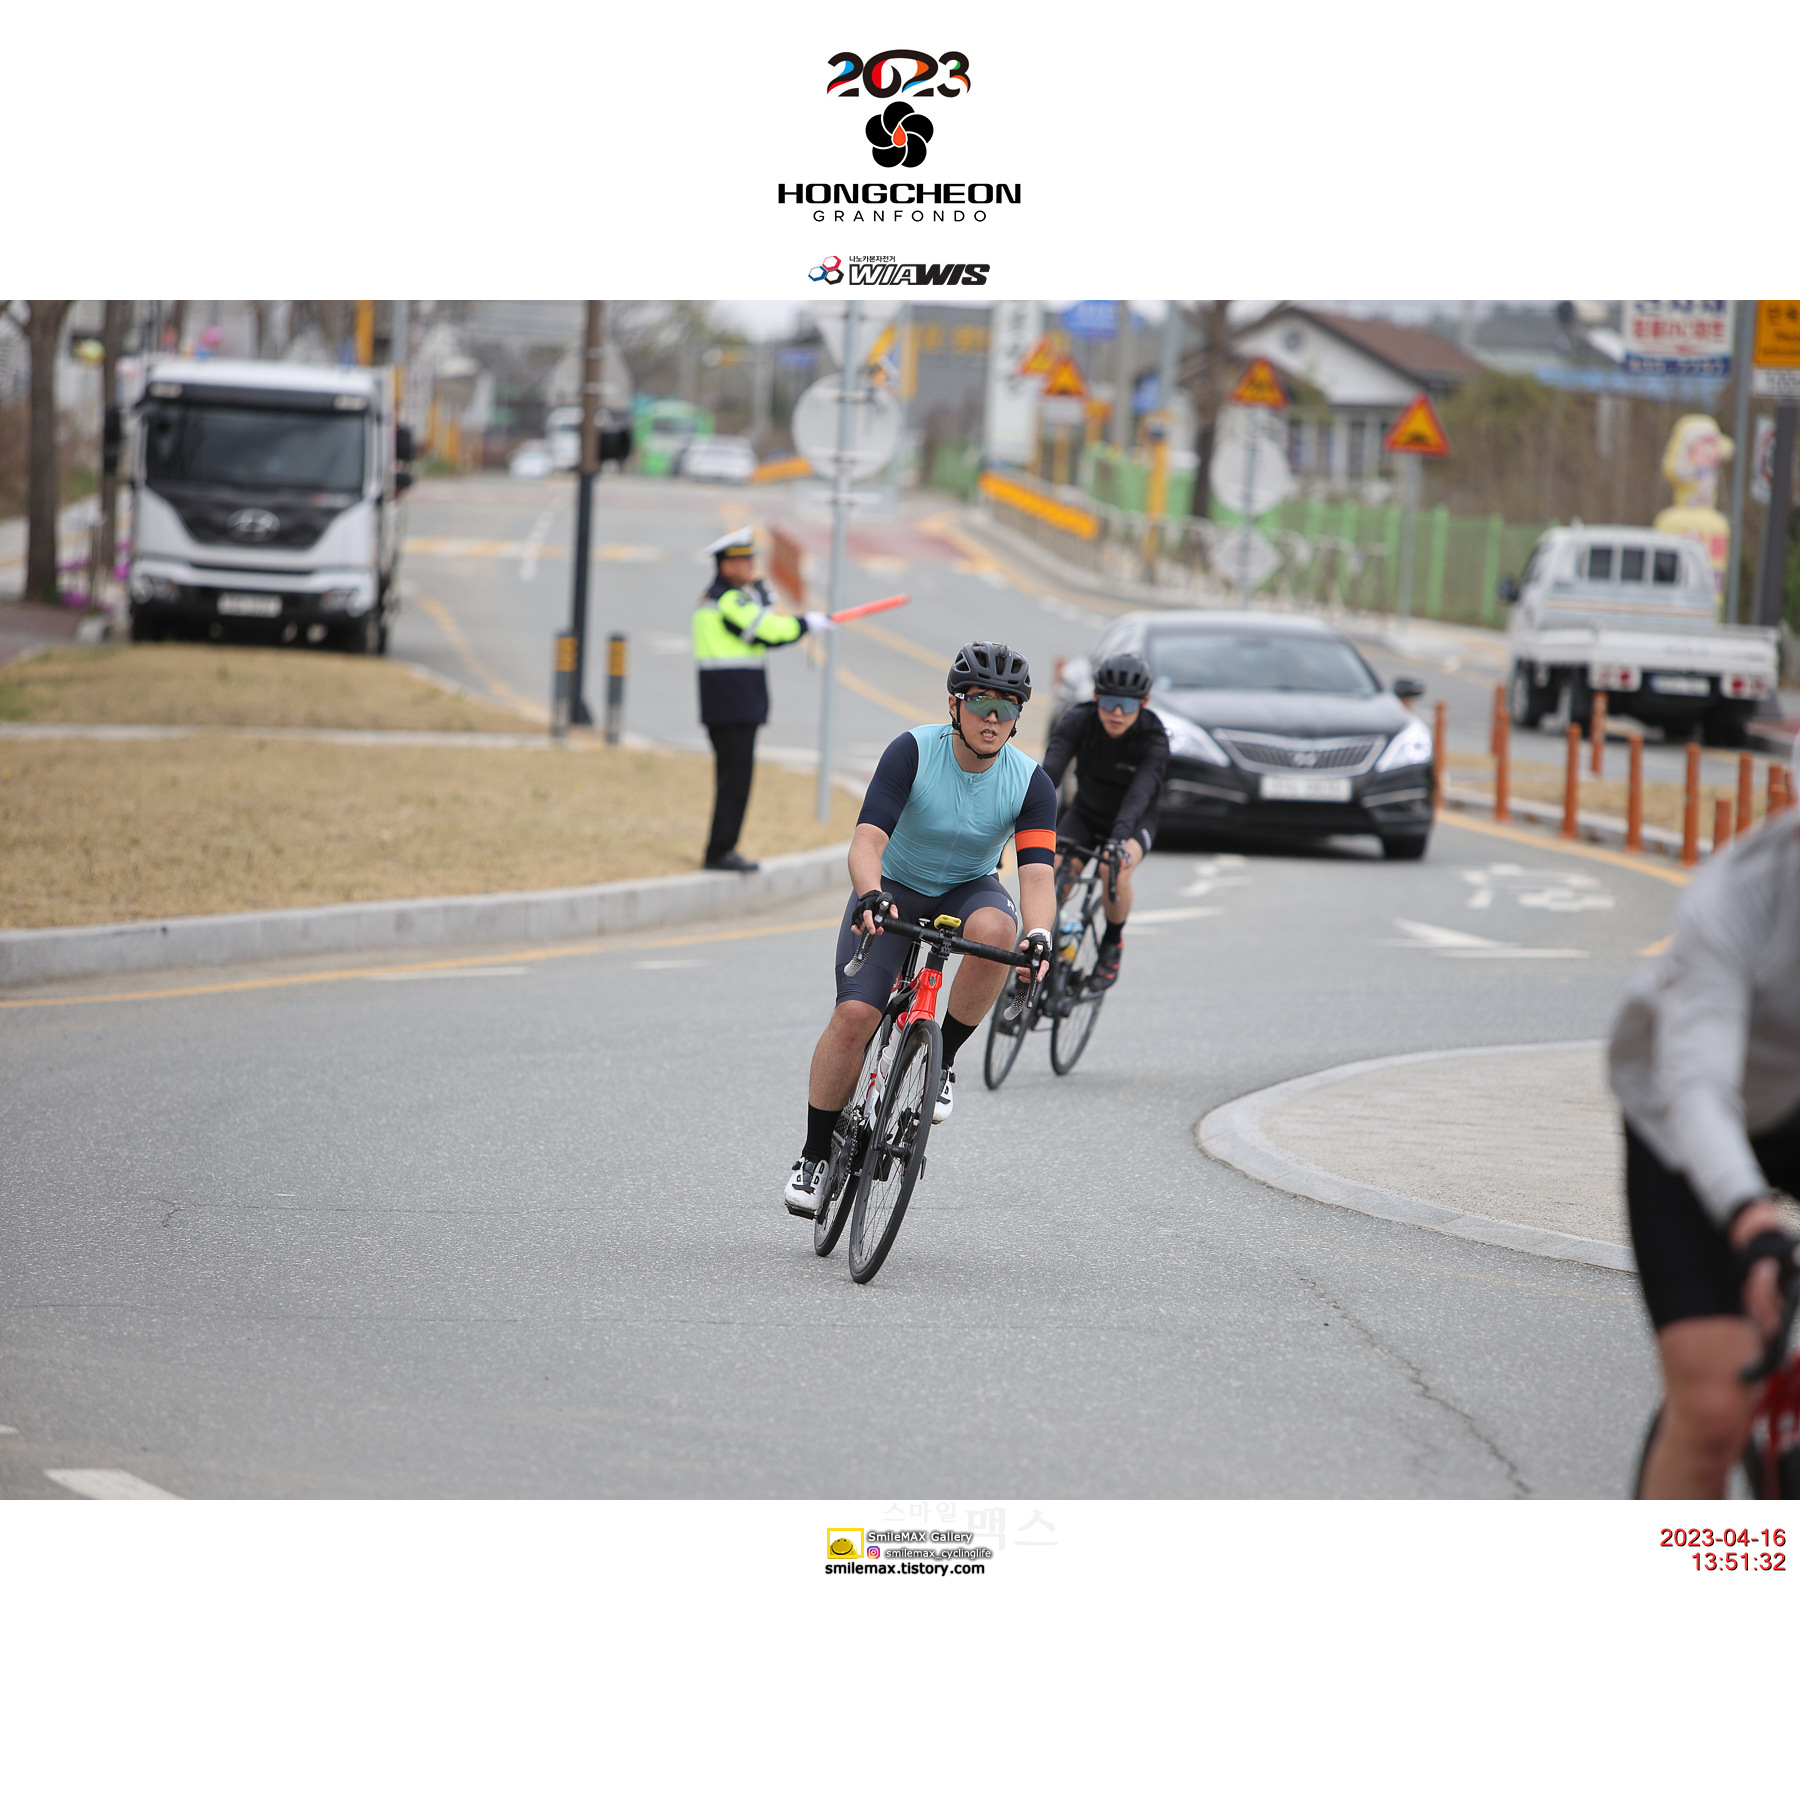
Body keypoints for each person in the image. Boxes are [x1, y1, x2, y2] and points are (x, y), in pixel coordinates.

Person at [784, 642, 1058, 1216]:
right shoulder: (911, 750)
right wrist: (871, 893)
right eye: (980, 702)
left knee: (999, 930)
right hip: (894, 888)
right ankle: (813, 1155)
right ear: (954, 705)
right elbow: (867, 841)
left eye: (1007, 708)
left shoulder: (1031, 783)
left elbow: (1036, 875)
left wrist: (1040, 935)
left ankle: (943, 1058)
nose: (992, 718)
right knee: (855, 1016)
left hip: (968, 887)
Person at [1611, 798, 1800, 1498]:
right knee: (1715, 1406)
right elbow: (1699, 1089)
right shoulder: (1736, 895)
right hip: (1684, 1115)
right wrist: (1750, 1221)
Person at [693, 526, 834, 872]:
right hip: (733, 703)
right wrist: (805, 624)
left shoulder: (717, 599)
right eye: (744, 560)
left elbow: (759, 632)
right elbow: (769, 631)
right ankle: (720, 851)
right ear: (727, 566)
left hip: (727, 702)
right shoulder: (729, 600)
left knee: (732, 779)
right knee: (735, 782)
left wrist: (767, 604)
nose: (751, 566)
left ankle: (721, 848)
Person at [1034, 650, 1168, 991]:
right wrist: (1027, 819)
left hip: (1134, 820)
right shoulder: (1078, 720)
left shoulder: (1154, 737)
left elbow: (1140, 794)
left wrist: (1118, 839)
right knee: (1053, 870)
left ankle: (1111, 944)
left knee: (1113, 869)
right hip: (1086, 813)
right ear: (1095, 698)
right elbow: (1049, 776)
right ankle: (1046, 945)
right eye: (1109, 702)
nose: (1117, 713)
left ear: (1144, 704)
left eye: (1128, 704)